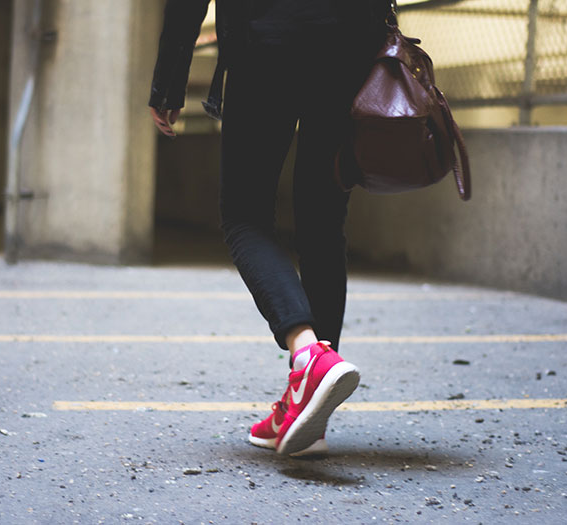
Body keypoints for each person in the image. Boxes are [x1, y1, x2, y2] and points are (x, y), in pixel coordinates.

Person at [148, 0, 390, 456]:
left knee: (244, 215)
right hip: (349, 42)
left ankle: (308, 355)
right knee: (322, 221)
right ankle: (308, 408)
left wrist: (169, 79)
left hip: (266, 39)